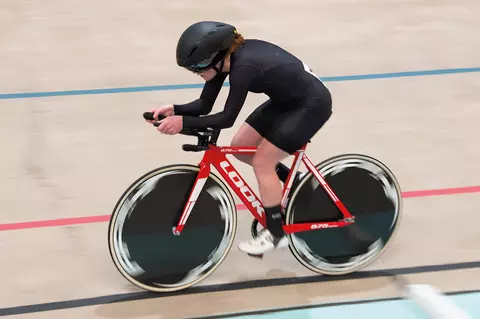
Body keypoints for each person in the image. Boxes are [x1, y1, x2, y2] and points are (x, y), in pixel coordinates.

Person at [147, 21, 332, 256]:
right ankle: (294, 182)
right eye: (193, 69)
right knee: (240, 146)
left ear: (215, 56)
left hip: (311, 105)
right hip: (286, 102)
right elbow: (204, 105)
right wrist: (175, 110)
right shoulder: (223, 61)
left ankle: (276, 233)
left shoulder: (244, 66)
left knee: (262, 162)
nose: (197, 72)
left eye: (199, 66)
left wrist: (183, 123)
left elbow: (226, 118)